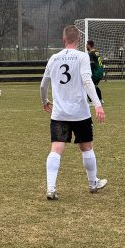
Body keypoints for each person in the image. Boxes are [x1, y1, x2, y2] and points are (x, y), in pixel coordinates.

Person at [40, 25, 107, 200]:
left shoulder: (54, 58)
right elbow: (87, 80)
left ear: (63, 39)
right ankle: (93, 183)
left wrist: (44, 101)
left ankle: (50, 188)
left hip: (59, 113)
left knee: (56, 148)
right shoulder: (82, 57)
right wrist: (97, 104)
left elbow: (43, 85)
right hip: (80, 113)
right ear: (78, 40)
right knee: (86, 147)